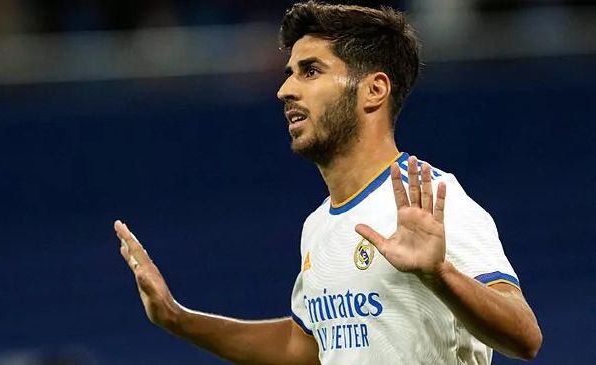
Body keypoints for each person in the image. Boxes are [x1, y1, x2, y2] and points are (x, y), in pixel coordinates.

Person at [114, 1, 542, 364]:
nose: (284, 89)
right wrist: (176, 317)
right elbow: (301, 345)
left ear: (373, 89)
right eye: (290, 72)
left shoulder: (427, 198)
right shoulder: (318, 226)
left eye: (310, 71)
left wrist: (439, 274)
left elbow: (525, 336)